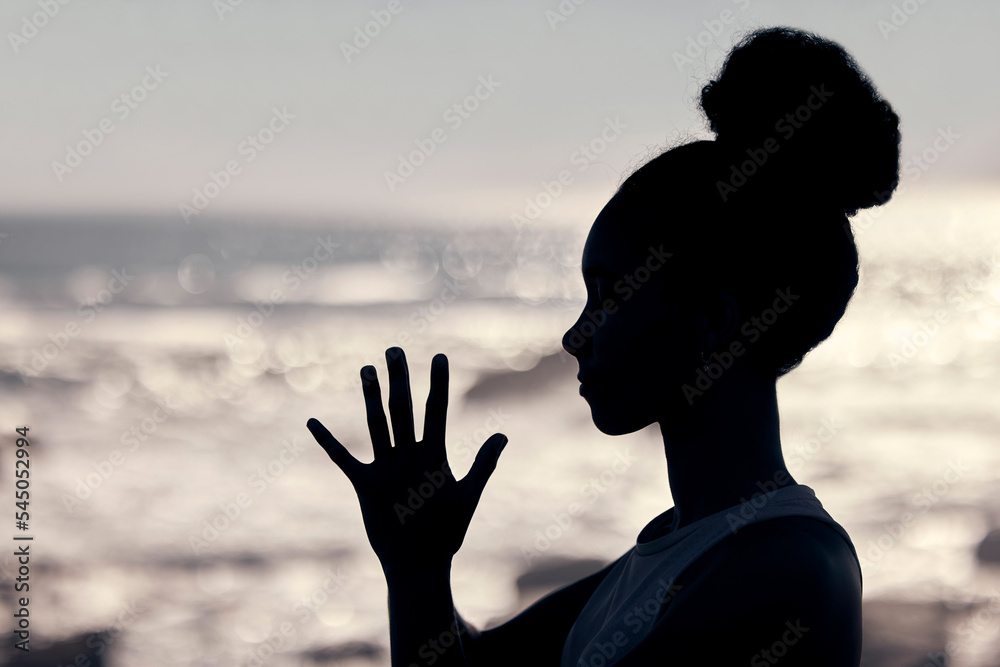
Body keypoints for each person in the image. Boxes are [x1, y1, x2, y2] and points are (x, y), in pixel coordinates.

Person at [306, 26, 901, 666]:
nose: (574, 335)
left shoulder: (783, 571)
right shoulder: (684, 544)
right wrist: (417, 567)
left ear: (713, 323)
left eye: (609, 295)